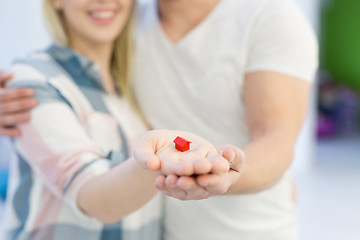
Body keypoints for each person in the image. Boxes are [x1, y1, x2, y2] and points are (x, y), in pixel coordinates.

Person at [0, 0, 318, 239]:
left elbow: (276, 139)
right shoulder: (129, 24)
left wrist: (229, 174)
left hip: (250, 231)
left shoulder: (269, 19)